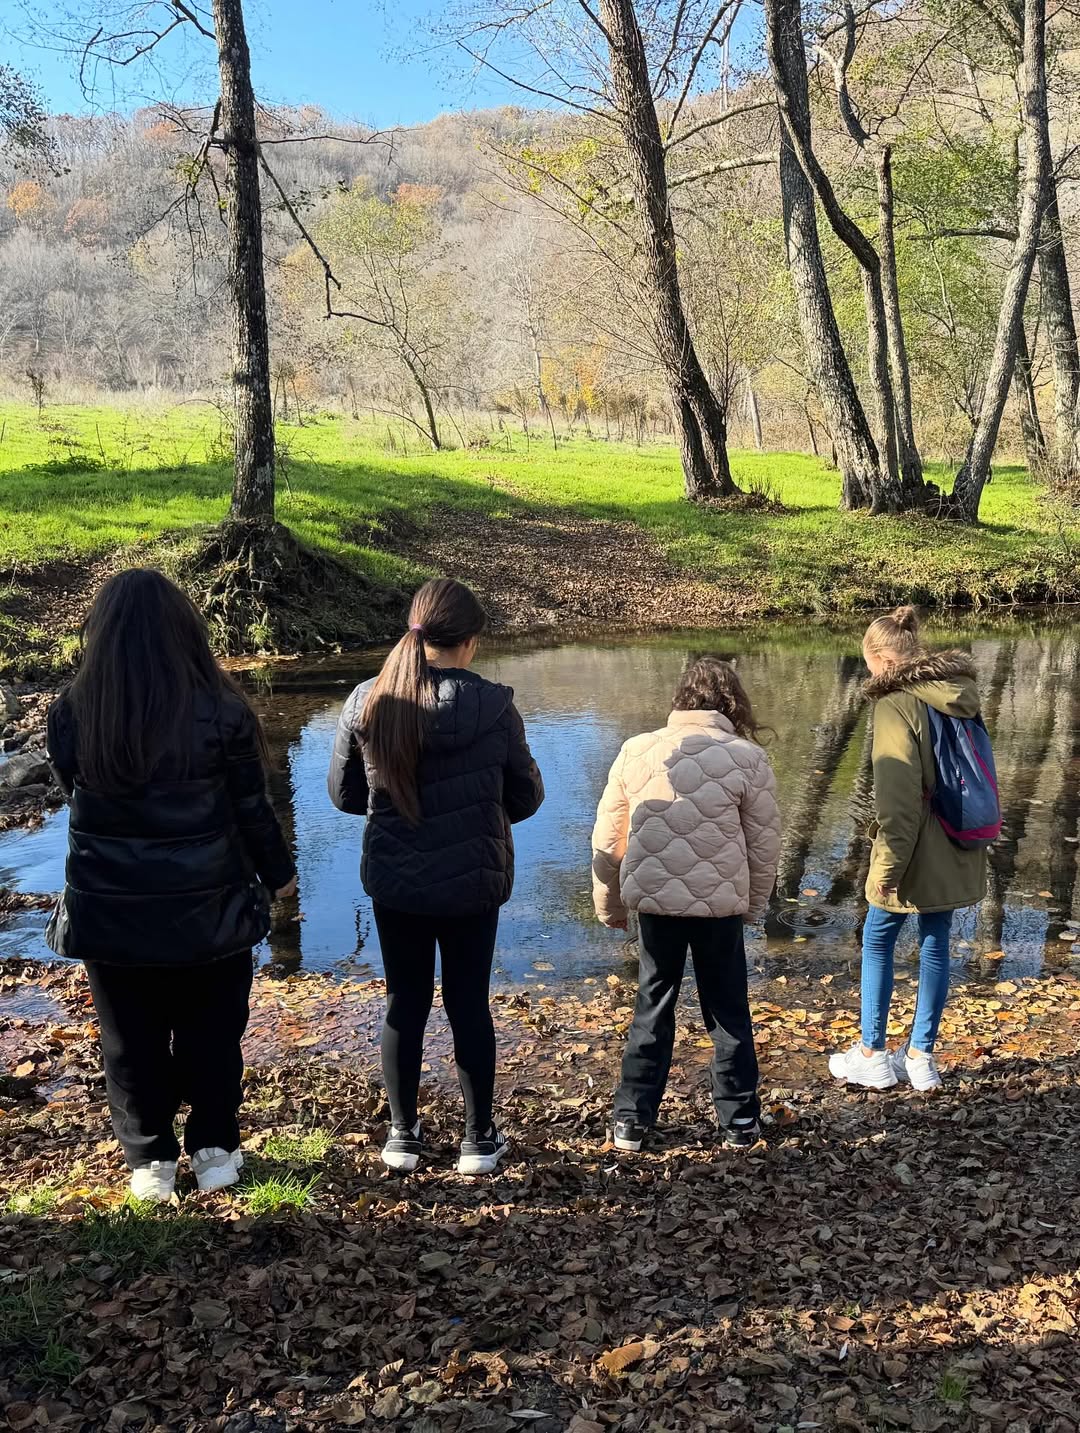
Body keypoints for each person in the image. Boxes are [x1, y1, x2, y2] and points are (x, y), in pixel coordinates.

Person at [46, 569, 296, 1202]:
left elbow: (74, 794)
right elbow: (252, 809)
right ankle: (214, 1149)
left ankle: (150, 1159)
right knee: (213, 1033)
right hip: (208, 905)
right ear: (185, 630)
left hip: (109, 908)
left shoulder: (73, 712)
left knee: (129, 1040)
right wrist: (279, 875)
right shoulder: (224, 709)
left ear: (101, 635)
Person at [327, 578, 544, 1176]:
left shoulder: (367, 699)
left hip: (396, 880)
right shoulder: (494, 706)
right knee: (468, 1002)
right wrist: (479, 810)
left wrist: (396, 809)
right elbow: (526, 798)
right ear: (470, 642)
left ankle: (402, 1135)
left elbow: (345, 795)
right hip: (472, 880)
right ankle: (478, 1139)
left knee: (405, 1001)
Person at [591, 656, 781, 1153]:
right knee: (728, 1009)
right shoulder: (747, 757)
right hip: (720, 909)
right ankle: (739, 1121)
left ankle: (631, 1122)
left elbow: (608, 840)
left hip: (656, 905)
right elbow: (764, 847)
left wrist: (609, 903)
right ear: (733, 703)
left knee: (652, 1004)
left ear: (680, 699)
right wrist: (754, 907)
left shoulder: (637, 750)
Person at [829, 606, 989, 1093]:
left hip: (915, 844)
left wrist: (887, 868)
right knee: (936, 939)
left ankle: (873, 1054)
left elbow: (898, 803)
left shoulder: (895, 705)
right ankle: (921, 1057)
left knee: (878, 937)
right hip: (960, 838)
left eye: (868, 665)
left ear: (881, 659)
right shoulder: (961, 695)